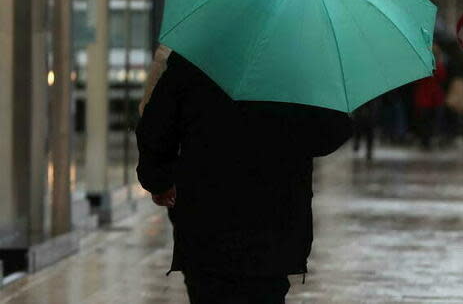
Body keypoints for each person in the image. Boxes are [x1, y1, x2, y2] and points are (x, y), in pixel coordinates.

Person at [136, 51, 352, 304]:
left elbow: (154, 129)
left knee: (208, 291)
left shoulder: (194, 58)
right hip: (273, 225)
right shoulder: (295, 64)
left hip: (206, 223)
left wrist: (158, 181)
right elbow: (330, 133)